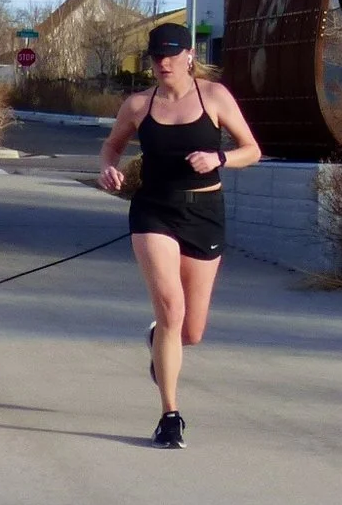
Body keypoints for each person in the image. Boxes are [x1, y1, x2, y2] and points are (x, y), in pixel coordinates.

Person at [97, 22, 261, 448]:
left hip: (205, 212)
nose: (163, 62)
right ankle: (170, 415)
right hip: (154, 210)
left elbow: (253, 149)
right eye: (156, 56)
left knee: (191, 331)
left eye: (172, 54)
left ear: (190, 54)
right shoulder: (138, 105)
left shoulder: (215, 97)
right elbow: (112, 146)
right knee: (170, 308)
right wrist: (108, 168)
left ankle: (158, 342)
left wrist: (219, 157)